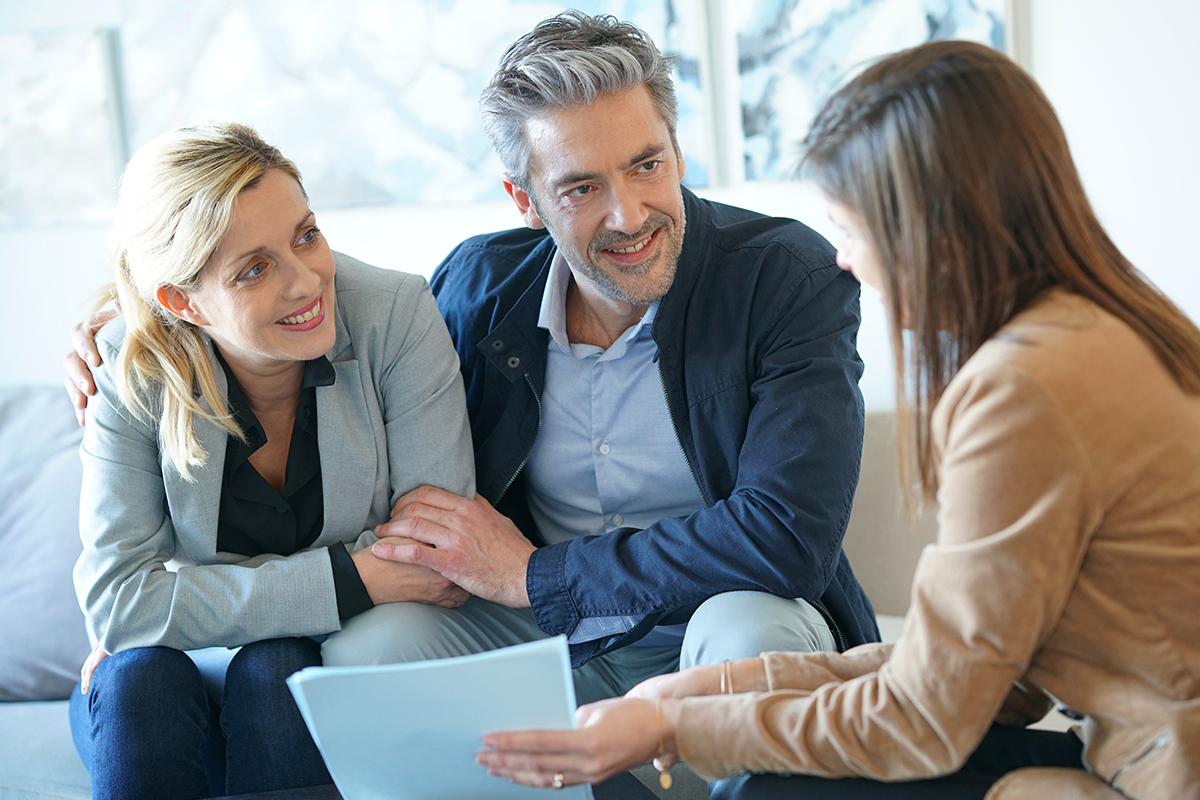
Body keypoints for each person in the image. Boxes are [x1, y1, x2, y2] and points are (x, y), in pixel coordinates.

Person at [66, 13, 877, 712]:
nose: (629, 214)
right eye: (580, 188)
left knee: (745, 631)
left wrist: (539, 575)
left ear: (676, 150)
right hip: (545, 631)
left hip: (719, 615)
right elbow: (309, 316)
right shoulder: (479, 287)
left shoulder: (785, 276)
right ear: (524, 202)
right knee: (371, 647)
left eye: (646, 164)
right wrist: (136, 323)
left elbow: (786, 535)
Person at [477, 40, 1200, 800]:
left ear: (932, 228)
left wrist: (673, 729)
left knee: (773, 788)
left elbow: (927, 716)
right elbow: (974, 665)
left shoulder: (1022, 390)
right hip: (1141, 744)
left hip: (1165, 769)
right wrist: (710, 690)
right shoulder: (1097, 333)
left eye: (851, 230)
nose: (846, 261)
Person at [68, 122, 476, 800]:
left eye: (307, 235)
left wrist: (180, 601)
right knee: (138, 676)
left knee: (278, 667)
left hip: (297, 686)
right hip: (175, 686)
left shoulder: (395, 315)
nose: (306, 281)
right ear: (182, 301)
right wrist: (352, 577)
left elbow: (433, 549)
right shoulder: (127, 367)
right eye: (254, 269)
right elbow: (118, 605)